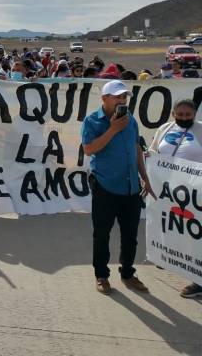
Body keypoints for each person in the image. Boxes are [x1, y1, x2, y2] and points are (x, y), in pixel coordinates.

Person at [82, 80, 154, 295]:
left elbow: (136, 148)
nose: (122, 100)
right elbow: (89, 149)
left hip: (131, 186)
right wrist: (112, 129)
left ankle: (128, 273)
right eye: (118, 96)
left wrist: (145, 177)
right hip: (105, 186)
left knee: (130, 234)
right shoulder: (92, 121)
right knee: (102, 233)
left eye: (125, 97)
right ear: (104, 98)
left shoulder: (130, 120)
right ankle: (101, 275)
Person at [148, 99, 202, 298]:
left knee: (195, 234)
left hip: (194, 193)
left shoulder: (201, 130)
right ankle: (168, 257)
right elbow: (154, 152)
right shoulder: (165, 128)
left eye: (188, 115)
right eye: (180, 115)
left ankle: (198, 280)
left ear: (195, 114)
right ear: (173, 114)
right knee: (169, 225)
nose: (184, 118)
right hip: (167, 189)